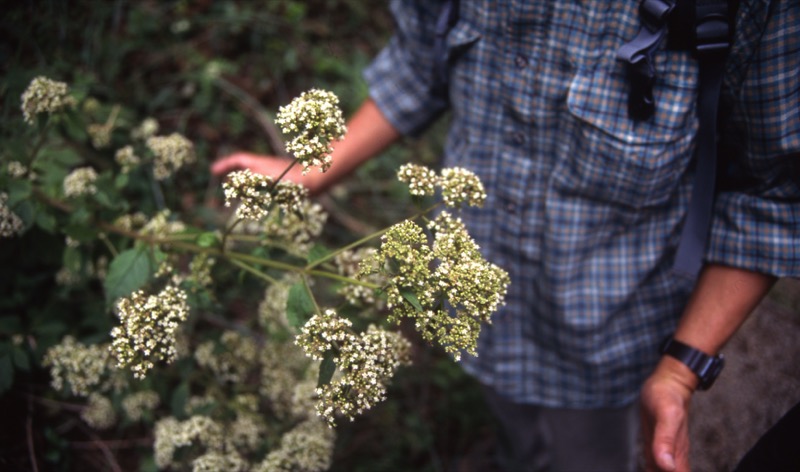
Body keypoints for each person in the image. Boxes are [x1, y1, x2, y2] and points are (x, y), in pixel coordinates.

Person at [212, 1, 799, 470]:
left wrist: (678, 370)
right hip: (475, 307)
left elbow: (774, 193)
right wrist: (313, 167)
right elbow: (422, 61)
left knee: (588, 455)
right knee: (516, 431)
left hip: (608, 341)